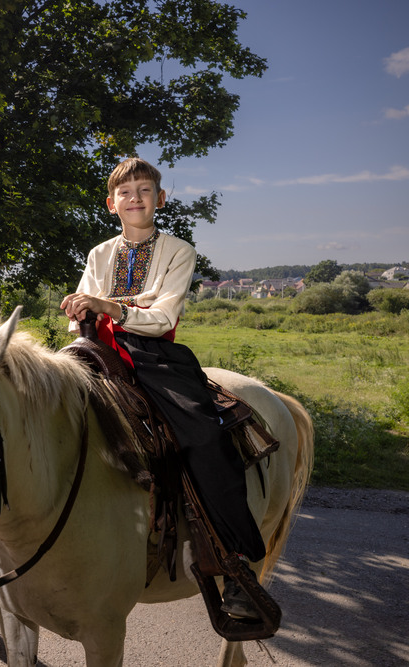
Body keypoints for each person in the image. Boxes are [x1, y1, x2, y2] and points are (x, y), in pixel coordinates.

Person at [59, 157, 265, 619]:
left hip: (154, 354)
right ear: (112, 204)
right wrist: (79, 309)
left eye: (144, 190)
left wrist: (108, 304)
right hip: (96, 349)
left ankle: (235, 564)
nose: (135, 198)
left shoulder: (178, 250)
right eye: (125, 192)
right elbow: (87, 307)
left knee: (204, 437)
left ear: (161, 199)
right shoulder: (99, 254)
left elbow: (162, 317)